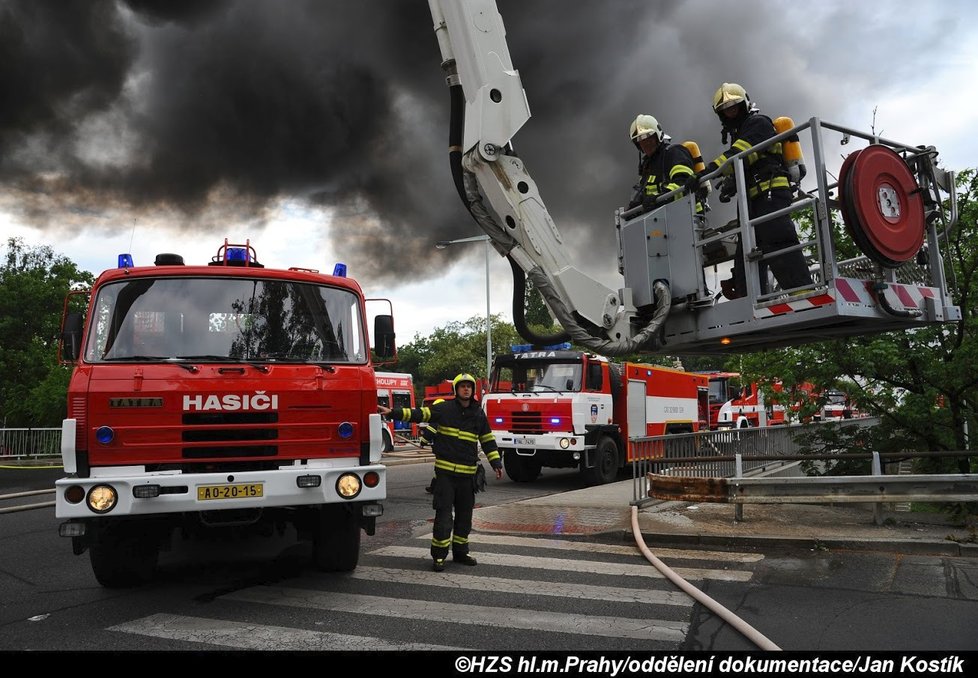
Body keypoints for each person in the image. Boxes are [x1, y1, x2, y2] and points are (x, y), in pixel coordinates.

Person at [690, 83, 813, 299]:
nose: (730, 112)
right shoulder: (742, 131)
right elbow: (748, 162)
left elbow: (741, 153)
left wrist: (709, 171)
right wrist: (730, 184)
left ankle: (804, 294)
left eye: (734, 107)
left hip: (771, 194)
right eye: (726, 110)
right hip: (753, 199)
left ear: (744, 104)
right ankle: (753, 300)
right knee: (746, 252)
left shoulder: (759, 123)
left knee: (778, 242)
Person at [378, 373, 503, 572]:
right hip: (446, 477)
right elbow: (419, 413)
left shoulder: (478, 413)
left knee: (464, 518)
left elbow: (487, 439)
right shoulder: (444, 409)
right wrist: (392, 412)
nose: (466, 389)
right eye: (462, 386)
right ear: (456, 389)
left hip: (467, 477)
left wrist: (496, 462)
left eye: (469, 386)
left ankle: (461, 553)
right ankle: (439, 557)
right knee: (444, 519)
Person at [627, 114, 703, 216]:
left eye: (649, 138)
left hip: (688, 217)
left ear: (658, 136)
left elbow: (683, 182)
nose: (646, 144)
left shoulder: (674, 153)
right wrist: (636, 207)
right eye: (641, 141)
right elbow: (646, 195)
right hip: (662, 220)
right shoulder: (648, 166)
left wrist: (660, 199)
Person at [419, 398, 445, 494]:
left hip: (443, 450)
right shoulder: (451, 417)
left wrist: (423, 442)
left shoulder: (437, 419)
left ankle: (435, 488)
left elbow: (429, 433)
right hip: (451, 449)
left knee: (440, 469)